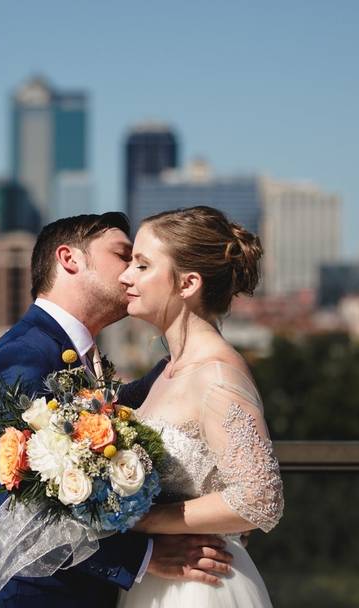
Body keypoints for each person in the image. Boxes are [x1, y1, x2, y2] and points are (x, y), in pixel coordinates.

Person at [0, 212, 235, 608]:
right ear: (69, 259)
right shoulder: (23, 355)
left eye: (141, 264)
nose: (131, 273)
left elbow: (126, 425)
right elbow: (22, 504)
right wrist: (145, 557)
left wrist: (182, 361)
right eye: (123, 256)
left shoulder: (74, 353)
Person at [116, 206, 284, 608]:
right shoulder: (168, 372)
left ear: (188, 283)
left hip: (201, 587)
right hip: (160, 579)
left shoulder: (218, 376)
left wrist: (147, 521)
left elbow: (261, 497)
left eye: (142, 265)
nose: (125, 276)